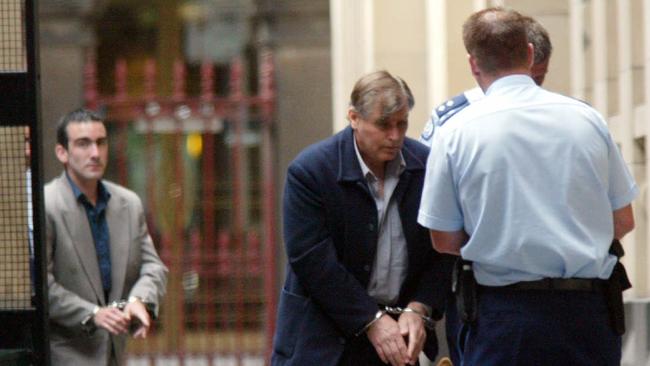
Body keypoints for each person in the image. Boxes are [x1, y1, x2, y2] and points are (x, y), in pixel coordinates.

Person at [418, 7, 637, 366]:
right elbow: (624, 220)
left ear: (474, 65)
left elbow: (443, 239)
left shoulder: (456, 131)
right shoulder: (586, 119)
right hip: (588, 313)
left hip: (504, 318)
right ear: (531, 53)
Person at [271, 70, 453, 366]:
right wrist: (371, 319)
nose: (395, 136)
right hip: (324, 343)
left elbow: (443, 250)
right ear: (354, 118)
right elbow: (311, 259)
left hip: (401, 342)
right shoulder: (311, 171)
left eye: (402, 124)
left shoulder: (425, 166)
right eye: (383, 125)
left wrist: (420, 307)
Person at [419, 15, 553, 365]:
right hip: (480, 288)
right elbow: (436, 220)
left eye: (540, 79)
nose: (532, 87)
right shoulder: (452, 120)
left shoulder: (564, 117)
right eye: (530, 75)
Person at [45, 108, 168, 365]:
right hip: (66, 355)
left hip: (116, 353)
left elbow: (153, 266)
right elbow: (41, 285)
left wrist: (139, 300)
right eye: (83, 143)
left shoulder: (128, 203)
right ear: (62, 153)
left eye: (101, 143)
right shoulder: (47, 205)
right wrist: (92, 313)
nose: (95, 153)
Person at [420, 16, 552, 147]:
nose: (527, 85)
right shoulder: (449, 118)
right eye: (521, 75)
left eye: (538, 78)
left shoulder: (561, 113)